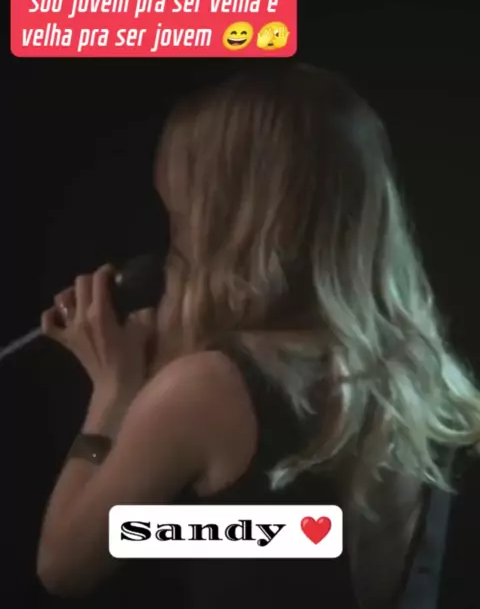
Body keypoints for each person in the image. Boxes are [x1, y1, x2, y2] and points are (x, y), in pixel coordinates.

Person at [36, 64, 480, 608]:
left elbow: (63, 566)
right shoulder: (423, 377)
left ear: (224, 218)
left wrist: (114, 394)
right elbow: (298, 541)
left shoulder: (205, 388)